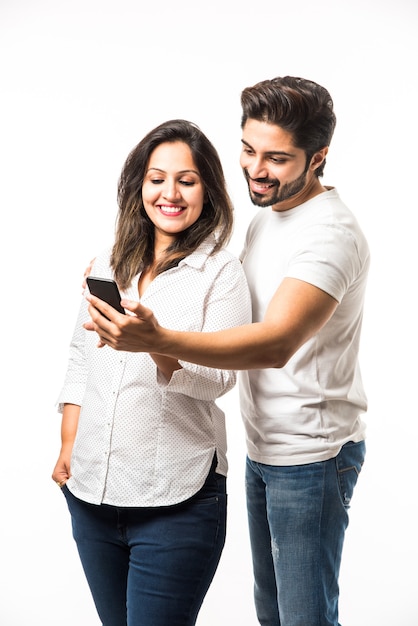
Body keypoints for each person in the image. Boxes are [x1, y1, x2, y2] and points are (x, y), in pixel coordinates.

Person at [84, 76, 370, 626]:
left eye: (277, 158)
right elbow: (224, 303)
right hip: (265, 446)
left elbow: (277, 341)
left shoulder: (330, 234)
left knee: (304, 617)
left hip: (313, 454)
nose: (256, 169)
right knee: (273, 614)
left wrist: (158, 340)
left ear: (319, 159)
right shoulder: (270, 213)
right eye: (248, 149)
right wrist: (128, 275)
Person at [52, 119, 252, 626]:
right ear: (138, 184)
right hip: (92, 494)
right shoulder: (107, 262)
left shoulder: (221, 272)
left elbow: (220, 380)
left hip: (177, 501)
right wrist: (68, 447)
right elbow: (81, 358)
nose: (170, 193)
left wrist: (157, 346)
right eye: (157, 178)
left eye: (187, 180)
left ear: (208, 188)